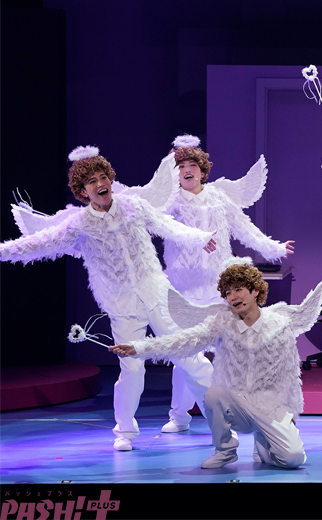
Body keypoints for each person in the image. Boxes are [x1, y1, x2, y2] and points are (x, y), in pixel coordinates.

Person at [0, 146, 217, 451]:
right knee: (131, 368)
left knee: (187, 354)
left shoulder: (133, 207)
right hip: (121, 304)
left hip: (156, 293)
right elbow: (39, 243)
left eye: (103, 177)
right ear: (82, 191)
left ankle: (220, 425)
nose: (101, 184)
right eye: (92, 181)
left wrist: (199, 239)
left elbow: (167, 226)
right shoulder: (80, 224)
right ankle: (124, 431)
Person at [111, 265, 322, 469]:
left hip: (270, 405)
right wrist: (139, 348)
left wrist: (291, 412)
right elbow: (185, 340)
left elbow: (290, 373)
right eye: (228, 293)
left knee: (292, 459)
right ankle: (225, 450)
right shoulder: (223, 322)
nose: (233, 297)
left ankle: (263, 442)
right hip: (238, 402)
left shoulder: (279, 325)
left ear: (255, 291)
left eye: (238, 290)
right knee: (213, 393)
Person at [159, 134, 295, 434]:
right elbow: (160, 225)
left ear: (202, 170)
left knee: (226, 352)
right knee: (185, 351)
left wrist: (273, 247)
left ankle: (230, 413)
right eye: (180, 166)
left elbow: (245, 228)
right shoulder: (169, 202)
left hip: (216, 285)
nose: (187, 171)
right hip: (183, 286)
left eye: (192, 165)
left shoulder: (219, 198)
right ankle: (179, 415)